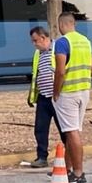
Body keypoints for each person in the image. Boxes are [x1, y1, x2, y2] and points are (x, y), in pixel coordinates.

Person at [53, 11, 92, 183]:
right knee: (75, 131)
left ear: (62, 25)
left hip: (68, 92)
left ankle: (78, 174)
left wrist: (56, 91)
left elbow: (60, 71)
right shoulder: (86, 41)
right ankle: (69, 170)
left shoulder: (62, 42)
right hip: (84, 91)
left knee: (71, 132)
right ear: (74, 24)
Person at [27, 26, 65, 168]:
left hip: (57, 96)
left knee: (63, 128)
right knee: (40, 128)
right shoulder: (38, 54)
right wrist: (32, 96)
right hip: (43, 97)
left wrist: (58, 92)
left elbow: (61, 71)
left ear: (43, 38)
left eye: (35, 40)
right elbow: (35, 76)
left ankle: (69, 154)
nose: (34, 44)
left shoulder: (58, 49)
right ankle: (42, 157)